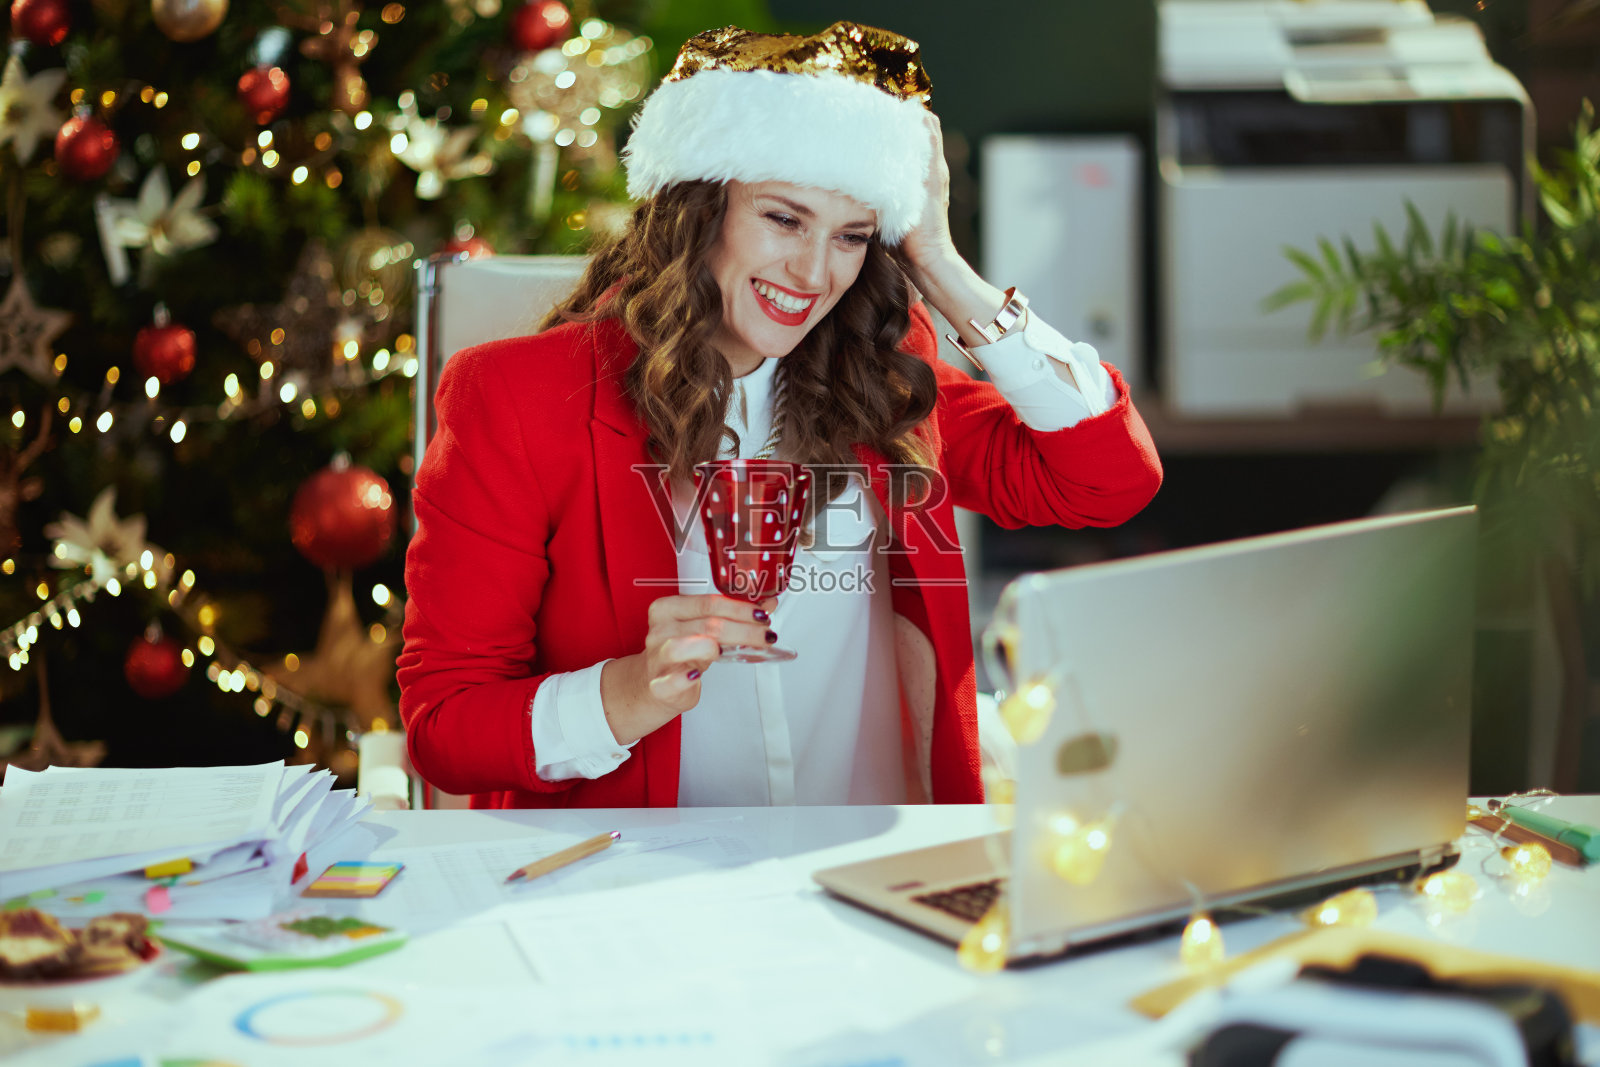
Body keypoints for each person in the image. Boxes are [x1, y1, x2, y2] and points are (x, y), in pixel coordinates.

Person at [398, 22, 1162, 809]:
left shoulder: (882, 374)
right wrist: (630, 691)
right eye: (784, 219)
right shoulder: (516, 396)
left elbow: (1108, 481)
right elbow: (442, 725)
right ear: (698, 206)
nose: (813, 271)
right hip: (632, 881)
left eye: (852, 235)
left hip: (867, 872)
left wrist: (939, 262)